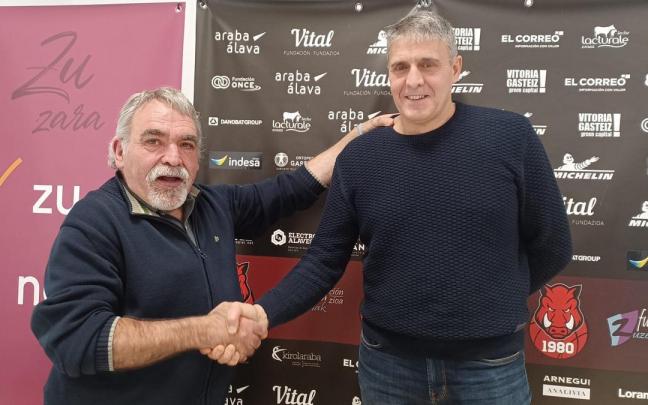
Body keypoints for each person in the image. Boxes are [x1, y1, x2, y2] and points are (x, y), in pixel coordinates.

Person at [224, 10, 572, 404]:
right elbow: (323, 260)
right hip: (388, 366)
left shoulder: (510, 137)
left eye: (428, 65)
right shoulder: (361, 158)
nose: (414, 80)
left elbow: (554, 245)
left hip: (489, 367)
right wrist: (263, 313)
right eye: (400, 67)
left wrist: (493, 297)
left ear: (456, 68)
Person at [30, 87, 391, 405]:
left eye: (186, 144)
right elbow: (76, 339)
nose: (173, 157)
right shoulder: (93, 221)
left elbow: (291, 189)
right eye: (154, 141)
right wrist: (205, 329)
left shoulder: (212, 204)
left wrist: (357, 136)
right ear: (119, 151)